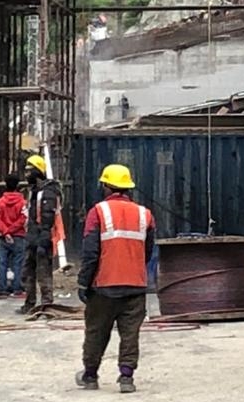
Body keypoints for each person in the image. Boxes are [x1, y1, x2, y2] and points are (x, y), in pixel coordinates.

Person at [76, 164, 156, 393]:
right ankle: (126, 378)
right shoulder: (145, 214)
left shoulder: (98, 212)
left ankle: (90, 376)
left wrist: (84, 282)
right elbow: (148, 251)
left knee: (96, 331)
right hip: (136, 285)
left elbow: (90, 252)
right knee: (130, 333)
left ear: (107, 186)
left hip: (104, 286)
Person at [21, 154, 63, 314]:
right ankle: (29, 303)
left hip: (42, 240)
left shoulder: (48, 193)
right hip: (32, 238)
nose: (26, 175)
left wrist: (43, 241)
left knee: (43, 273)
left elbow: (47, 218)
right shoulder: (34, 192)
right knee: (27, 272)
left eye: (29, 171)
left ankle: (47, 305)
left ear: (37, 172)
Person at [0, 173, 27, 297]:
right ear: (18, 185)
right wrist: (12, 231)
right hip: (18, 236)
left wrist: (6, 232)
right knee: (18, 263)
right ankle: (17, 288)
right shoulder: (22, 202)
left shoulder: (0, 202)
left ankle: (1, 288)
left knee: (3, 263)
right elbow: (23, 219)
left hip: (4, 237)